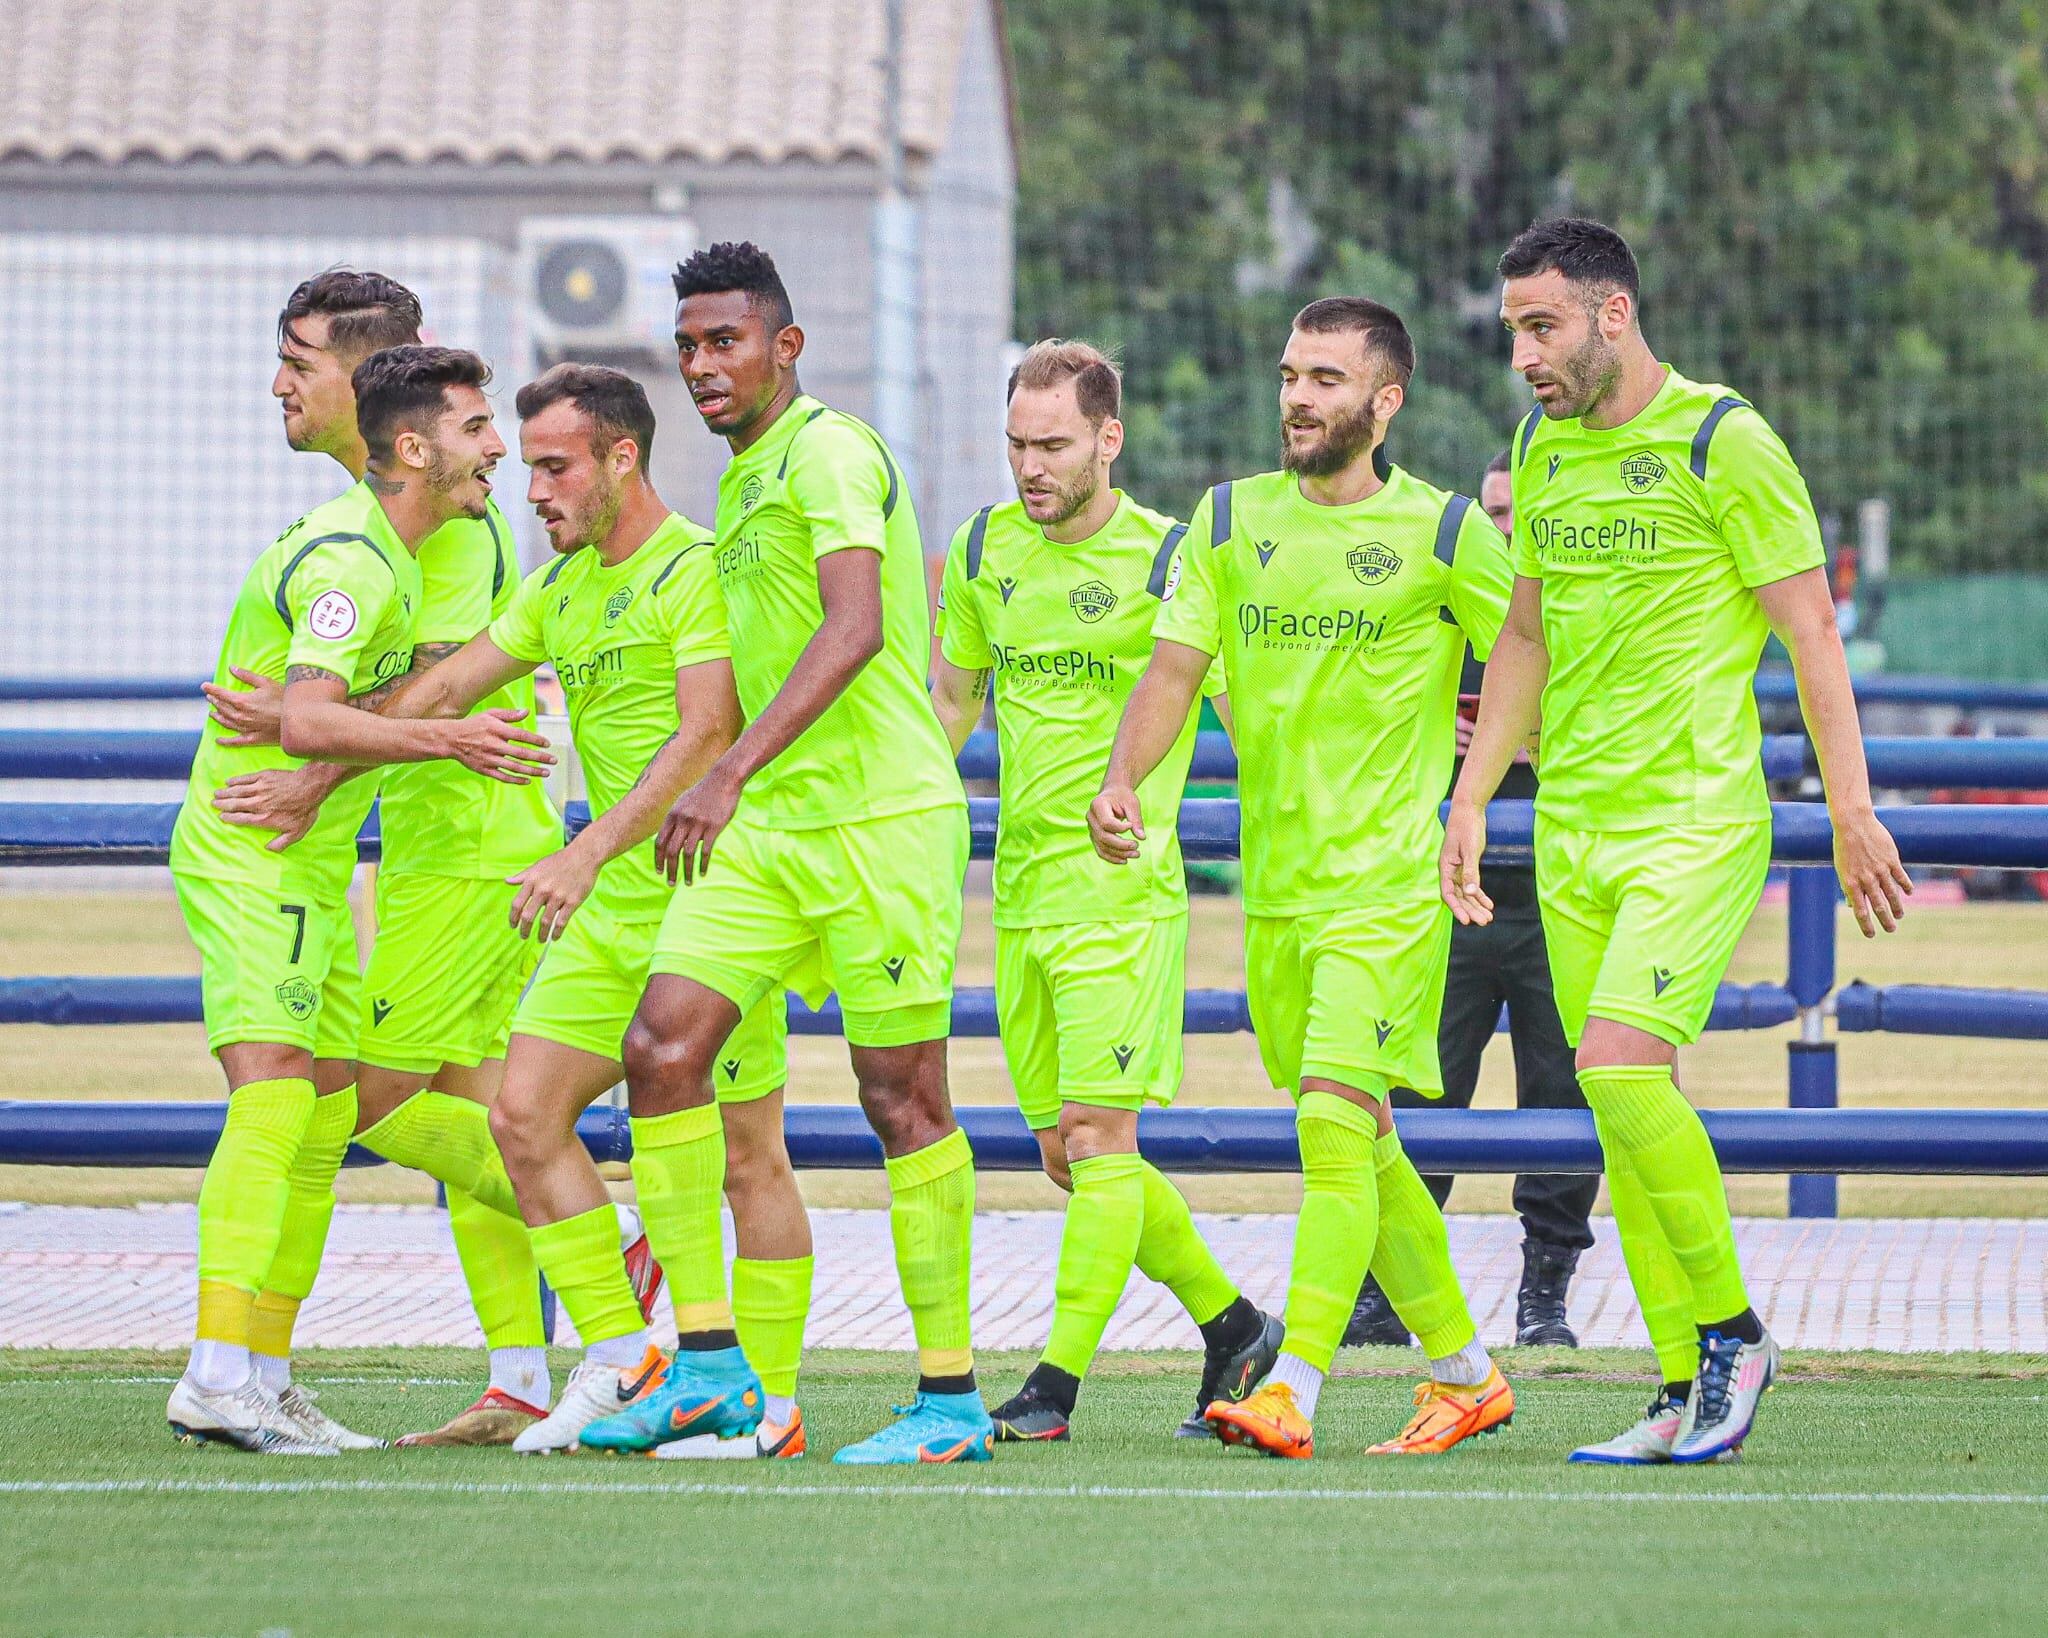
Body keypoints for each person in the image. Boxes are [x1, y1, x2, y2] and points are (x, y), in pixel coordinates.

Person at [220, 365, 804, 1455]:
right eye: (523, 461)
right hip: (604, 901)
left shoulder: (695, 569)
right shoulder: (561, 587)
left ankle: (765, 1403)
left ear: (620, 459)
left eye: (552, 466)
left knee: (746, 1152)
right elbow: (440, 693)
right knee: (522, 1117)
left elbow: (704, 735)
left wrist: (582, 852)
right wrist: (313, 757)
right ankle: (626, 1357)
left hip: (707, 899)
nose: (530, 487)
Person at [1444, 217, 1912, 1464]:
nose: (1522, 358)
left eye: (1540, 328)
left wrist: (1850, 805)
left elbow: (1812, 633)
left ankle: (1732, 1338)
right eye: (1510, 335)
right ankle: (1674, 1382)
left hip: (1693, 822)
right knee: (1617, 1107)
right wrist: (1473, 792)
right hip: (1572, 829)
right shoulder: (1537, 448)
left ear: (1612, 314)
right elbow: (1524, 641)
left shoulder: (1724, 440)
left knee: (1614, 1069)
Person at [203, 273, 652, 1448]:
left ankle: (635, 1284)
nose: (280, 384)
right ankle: (518, 1372)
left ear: (371, 390)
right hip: (443, 840)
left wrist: (310, 757)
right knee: (473, 1109)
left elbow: (441, 685)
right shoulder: (370, 521)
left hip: (460, 851)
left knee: (376, 1103)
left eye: (298, 361)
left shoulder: (429, 526)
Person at [572, 243, 989, 1467]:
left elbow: (856, 628)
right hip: (764, 836)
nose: (702, 366)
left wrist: (727, 769)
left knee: (899, 1100)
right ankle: (709, 1370)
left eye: (725, 342)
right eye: (688, 345)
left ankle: (950, 1401)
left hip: (881, 827)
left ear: (784, 347)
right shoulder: (744, 482)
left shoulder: (830, 450)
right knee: (660, 1047)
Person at [1094, 297, 1517, 1460]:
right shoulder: (1226, 521)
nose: (1296, 397)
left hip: (1387, 892)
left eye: (1325, 379)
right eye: (1289, 374)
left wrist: (1471, 798)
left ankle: (1293, 1386)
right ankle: (1466, 1375)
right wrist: (1124, 778)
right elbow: (1175, 670)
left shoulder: (1440, 532)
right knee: (1364, 1142)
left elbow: (1527, 657)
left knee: (1330, 1129)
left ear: (1383, 402)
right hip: (1278, 896)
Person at [166, 346, 549, 1453]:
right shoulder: (357, 560)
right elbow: (308, 715)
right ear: (417, 444)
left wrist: (356, 735)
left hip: (319, 865)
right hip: (258, 855)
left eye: (301, 360)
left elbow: (328, 708)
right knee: (285, 1101)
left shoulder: (411, 543)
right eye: (481, 428)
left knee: (331, 1113)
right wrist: (447, 736)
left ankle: (263, 1373)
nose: (502, 449)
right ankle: (215, 1371)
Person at [928, 339, 1282, 1443]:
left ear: (1107, 440)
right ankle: (1231, 1324)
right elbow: (950, 705)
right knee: (1068, 1159)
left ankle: (1053, 1387)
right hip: (1020, 899)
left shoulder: (1174, 561)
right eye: (1015, 446)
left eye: (1052, 446)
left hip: (1124, 899)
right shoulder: (983, 548)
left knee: (1096, 1136)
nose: (1028, 468)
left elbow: (1256, 717)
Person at [1349, 448, 1595, 1351]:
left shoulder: (1574, 602)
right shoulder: (1443, 594)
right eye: (1491, 511)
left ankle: (1547, 1289)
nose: (1501, 527)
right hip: (1449, 885)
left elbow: (1611, 712)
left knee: (1562, 1098)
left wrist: (1535, 733)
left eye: (1515, 512)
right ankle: (1391, 1295)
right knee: (1420, 1092)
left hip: (1558, 885)